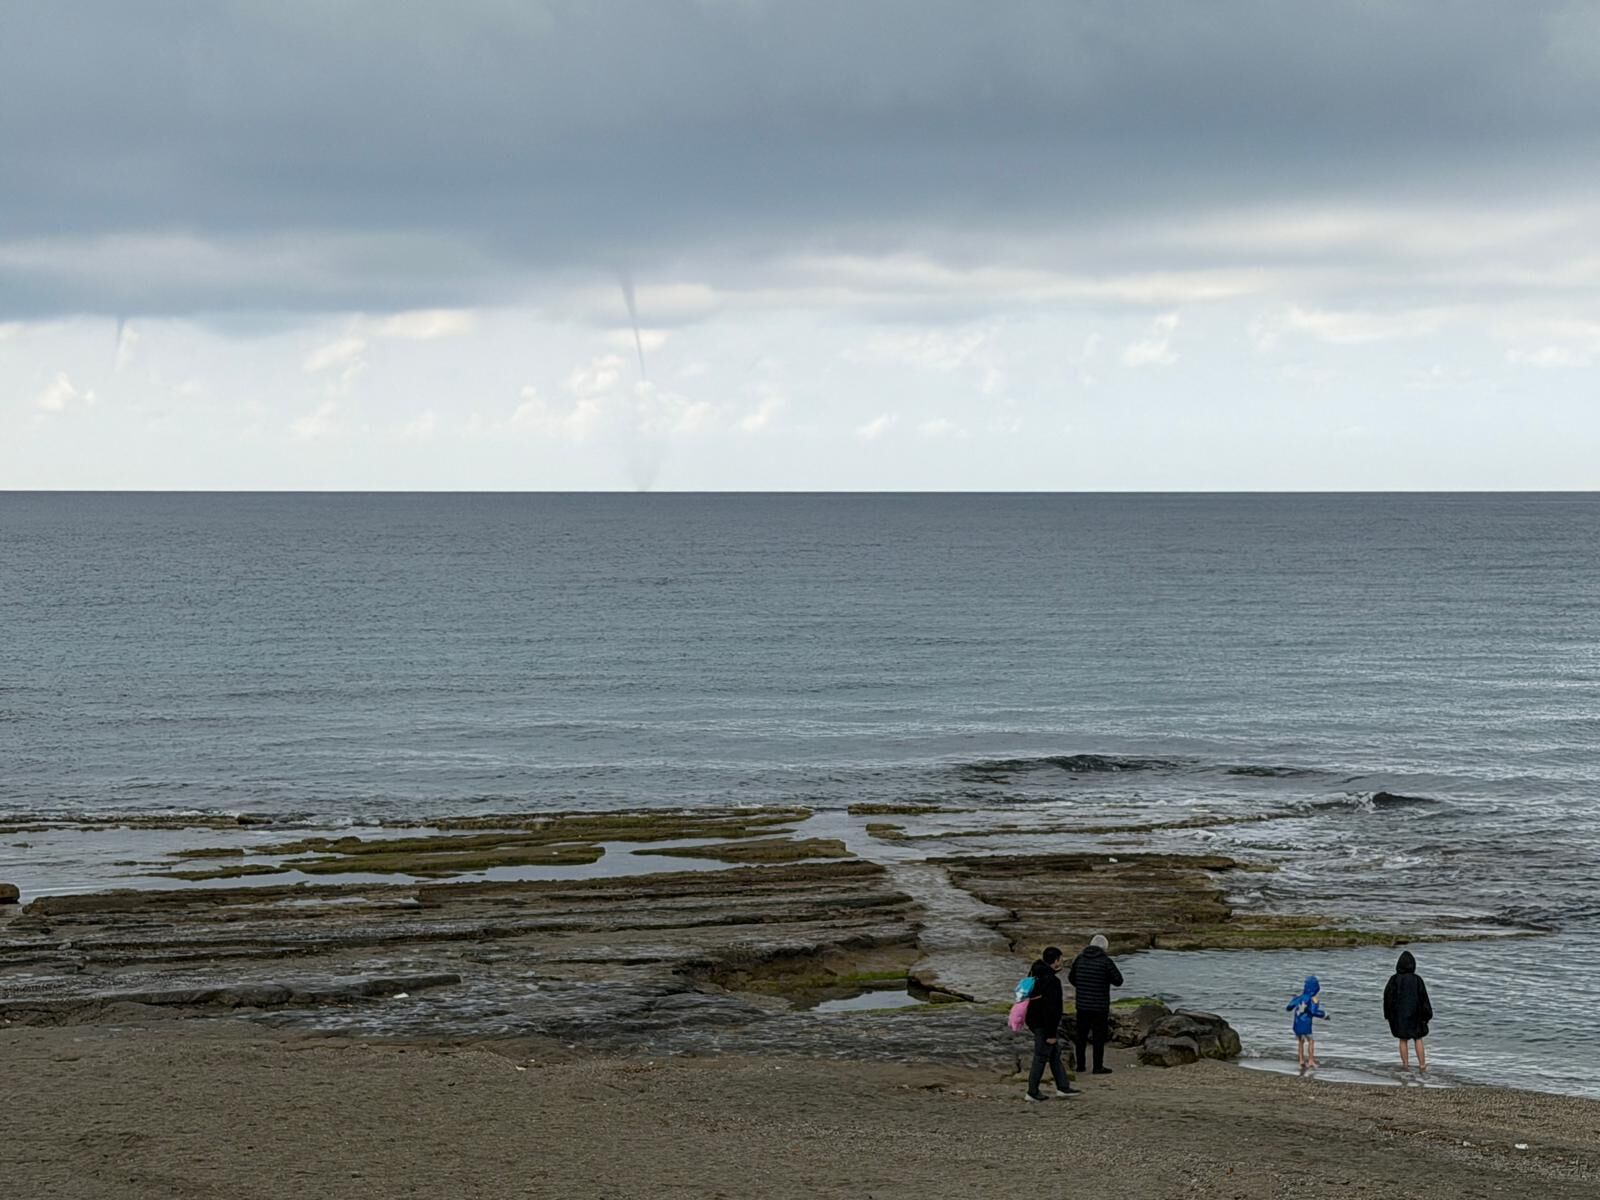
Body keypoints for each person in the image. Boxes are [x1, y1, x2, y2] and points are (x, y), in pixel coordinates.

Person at [1023, 946, 1080, 1101]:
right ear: (1055, 961)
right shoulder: (1052, 981)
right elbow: (1051, 1009)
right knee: (1041, 1056)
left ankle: (1063, 1087)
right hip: (1043, 1024)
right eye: (1060, 959)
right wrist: (1051, 1033)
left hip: (1033, 1020)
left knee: (1054, 1054)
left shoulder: (1035, 974)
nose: (1061, 962)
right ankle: (1032, 1091)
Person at [1067, 933, 1123, 1075]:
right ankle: (1098, 1067)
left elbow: (1071, 978)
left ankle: (1081, 1065)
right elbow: (1118, 980)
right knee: (1099, 1036)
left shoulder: (1079, 959)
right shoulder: (1106, 961)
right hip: (1100, 1005)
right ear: (1105, 947)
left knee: (1081, 1035)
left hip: (1082, 1004)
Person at [1383, 950, 1433, 1072]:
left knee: (1403, 1039)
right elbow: (1424, 999)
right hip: (1416, 1015)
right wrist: (1427, 1015)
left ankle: (1405, 1065)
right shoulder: (1417, 980)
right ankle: (1422, 1066)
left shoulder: (1394, 979)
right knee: (1418, 1038)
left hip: (1399, 1015)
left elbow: (1387, 998)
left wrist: (1388, 1014)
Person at [1286, 975, 1329, 1069]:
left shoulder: (1300, 997)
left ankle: (1301, 1060)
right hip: (1306, 1024)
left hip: (1297, 1023)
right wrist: (1324, 1015)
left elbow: (1288, 1008)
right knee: (1311, 1041)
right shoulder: (1313, 999)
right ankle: (1310, 1060)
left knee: (1300, 1041)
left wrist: (1293, 999)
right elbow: (1313, 1012)